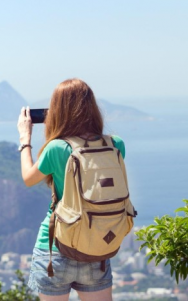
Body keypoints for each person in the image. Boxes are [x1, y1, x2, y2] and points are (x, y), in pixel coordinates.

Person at [17, 78, 125, 301]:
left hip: (55, 247)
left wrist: (25, 138)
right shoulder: (115, 145)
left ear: (57, 111)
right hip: (97, 244)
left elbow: (28, 178)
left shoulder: (57, 148)